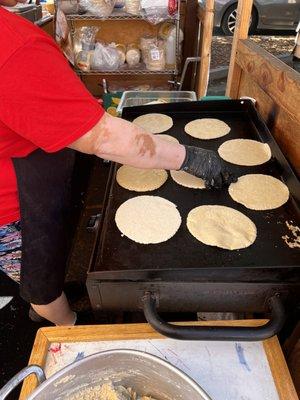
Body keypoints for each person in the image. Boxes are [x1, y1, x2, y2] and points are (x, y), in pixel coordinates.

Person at [0, 1, 235, 326]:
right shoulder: (11, 45)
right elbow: (102, 137)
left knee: (46, 266)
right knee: (41, 281)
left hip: (25, 163)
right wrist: (186, 157)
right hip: (13, 201)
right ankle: (68, 326)